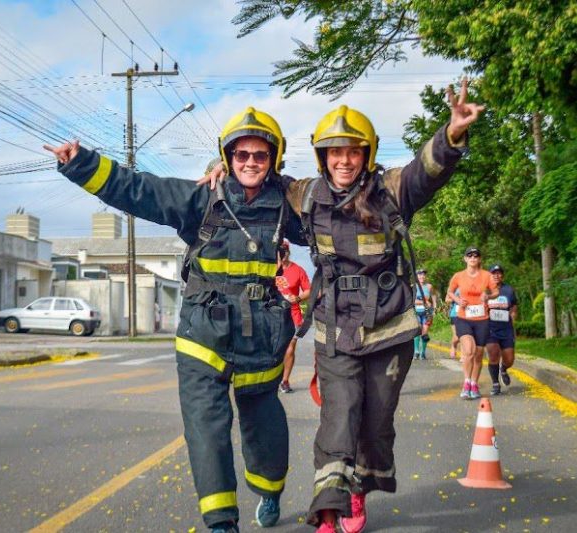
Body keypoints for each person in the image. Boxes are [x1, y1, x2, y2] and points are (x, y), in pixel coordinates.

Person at [44, 107, 305, 533]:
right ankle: (222, 522)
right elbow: (139, 190)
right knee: (206, 426)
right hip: (202, 333)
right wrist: (81, 163)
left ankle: (269, 491)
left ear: (273, 159)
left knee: (264, 423)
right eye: (241, 155)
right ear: (228, 156)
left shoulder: (286, 208)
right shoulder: (201, 197)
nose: (250, 163)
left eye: (260, 155)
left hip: (262, 333)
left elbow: (335, 218)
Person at [285, 82, 481, 533]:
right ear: (322, 157)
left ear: (367, 153)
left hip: (389, 328)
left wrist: (450, 135)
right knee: (340, 414)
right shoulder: (306, 195)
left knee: (375, 422)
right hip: (334, 327)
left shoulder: (391, 189)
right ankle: (328, 508)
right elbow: (256, 176)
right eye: (334, 152)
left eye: (353, 151)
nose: (343, 160)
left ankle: (357, 490)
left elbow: (425, 171)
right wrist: (222, 165)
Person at [446, 247, 499, 400]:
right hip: (463, 318)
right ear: (465, 259)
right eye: (470, 256)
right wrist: (458, 300)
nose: (473, 258)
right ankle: (466, 382)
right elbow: (450, 292)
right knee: (469, 350)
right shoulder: (458, 276)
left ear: (479, 259)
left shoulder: (486, 275)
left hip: (482, 319)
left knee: (478, 354)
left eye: (476, 256)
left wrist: (488, 296)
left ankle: (474, 384)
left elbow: (496, 292)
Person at [274, 239, 311, 393]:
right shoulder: (271, 268)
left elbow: (309, 290)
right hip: (272, 316)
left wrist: (298, 298)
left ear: (288, 252)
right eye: (279, 251)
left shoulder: (298, 270)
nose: (283, 254)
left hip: (293, 315)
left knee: (289, 350)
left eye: (285, 251)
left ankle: (285, 381)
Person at [485, 264, 518, 395]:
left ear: (502, 275)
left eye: (499, 273)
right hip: (490, 328)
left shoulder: (508, 290)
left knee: (509, 359)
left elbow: (514, 305)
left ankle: (503, 369)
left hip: (506, 328)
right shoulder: (485, 290)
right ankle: (495, 383)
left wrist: (513, 315)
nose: (496, 276)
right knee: (493, 354)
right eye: (494, 273)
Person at [413, 268, 438, 360]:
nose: (422, 276)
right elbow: (411, 300)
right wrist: (421, 302)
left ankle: (423, 352)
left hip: (427, 312)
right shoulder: (413, 286)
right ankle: (416, 351)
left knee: (425, 332)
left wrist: (434, 307)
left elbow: (434, 295)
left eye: (423, 275)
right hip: (416, 312)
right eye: (419, 275)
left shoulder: (429, 286)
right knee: (417, 332)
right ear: (416, 276)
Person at [446, 288, 461, 359]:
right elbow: (447, 300)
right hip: (455, 314)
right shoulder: (454, 287)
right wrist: (456, 299)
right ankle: (453, 346)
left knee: (464, 335)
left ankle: (463, 355)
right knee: (456, 336)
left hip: (466, 314)